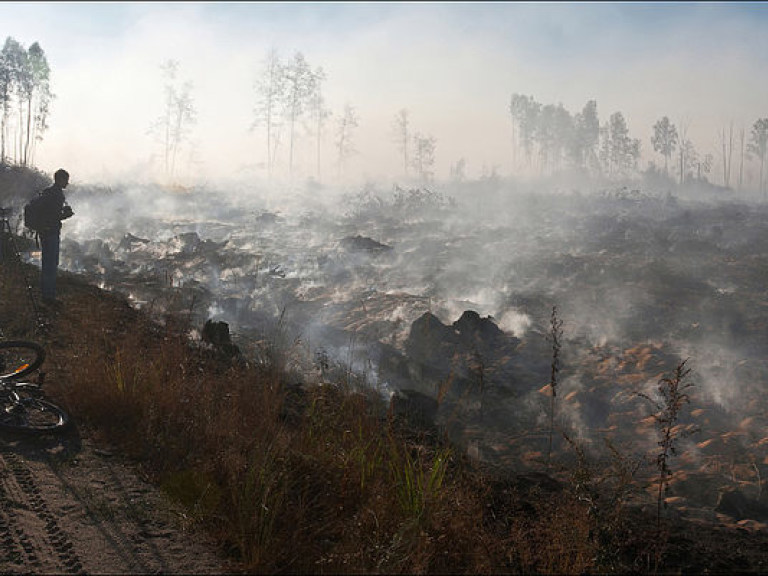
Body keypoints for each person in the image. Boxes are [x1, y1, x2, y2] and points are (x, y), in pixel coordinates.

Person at [38, 168, 74, 303]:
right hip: (51, 232)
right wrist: (66, 214)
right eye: (66, 180)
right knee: (51, 264)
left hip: (44, 232)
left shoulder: (48, 192)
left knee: (47, 262)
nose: (67, 183)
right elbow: (54, 216)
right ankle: (49, 296)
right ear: (60, 179)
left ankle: (46, 293)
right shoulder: (57, 195)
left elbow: (49, 214)